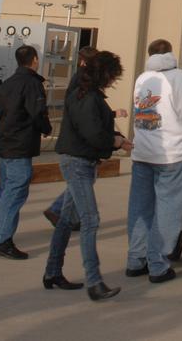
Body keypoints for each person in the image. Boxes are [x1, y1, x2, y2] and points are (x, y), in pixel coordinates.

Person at [44, 47, 132, 301]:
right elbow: (92, 133)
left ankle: (52, 272)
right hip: (77, 162)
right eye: (113, 76)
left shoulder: (87, 94)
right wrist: (115, 142)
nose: (114, 81)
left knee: (65, 219)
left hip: (80, 161)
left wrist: (117, 139)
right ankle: (93, 281)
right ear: (104, 74)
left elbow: (95, 128)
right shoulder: (87, 97)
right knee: (90, 220)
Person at [125, 38, 182, 282]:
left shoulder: (142, 78)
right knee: (168, 210)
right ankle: (158, 265)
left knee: (140, 209)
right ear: (171, 54)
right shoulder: (178, 78)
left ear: (150, 55)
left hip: (142, 153)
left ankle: (135, 260)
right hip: (171, 155)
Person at [0, 44, 52, 258]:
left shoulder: (9, 83)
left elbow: (1, 112)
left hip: (5, 142)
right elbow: (37, 112)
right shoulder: (32, 84)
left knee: (4, 190)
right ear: (35, 60)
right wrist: (47, 129)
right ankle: (2, 240)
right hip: (20, 144)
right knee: (15, 191)